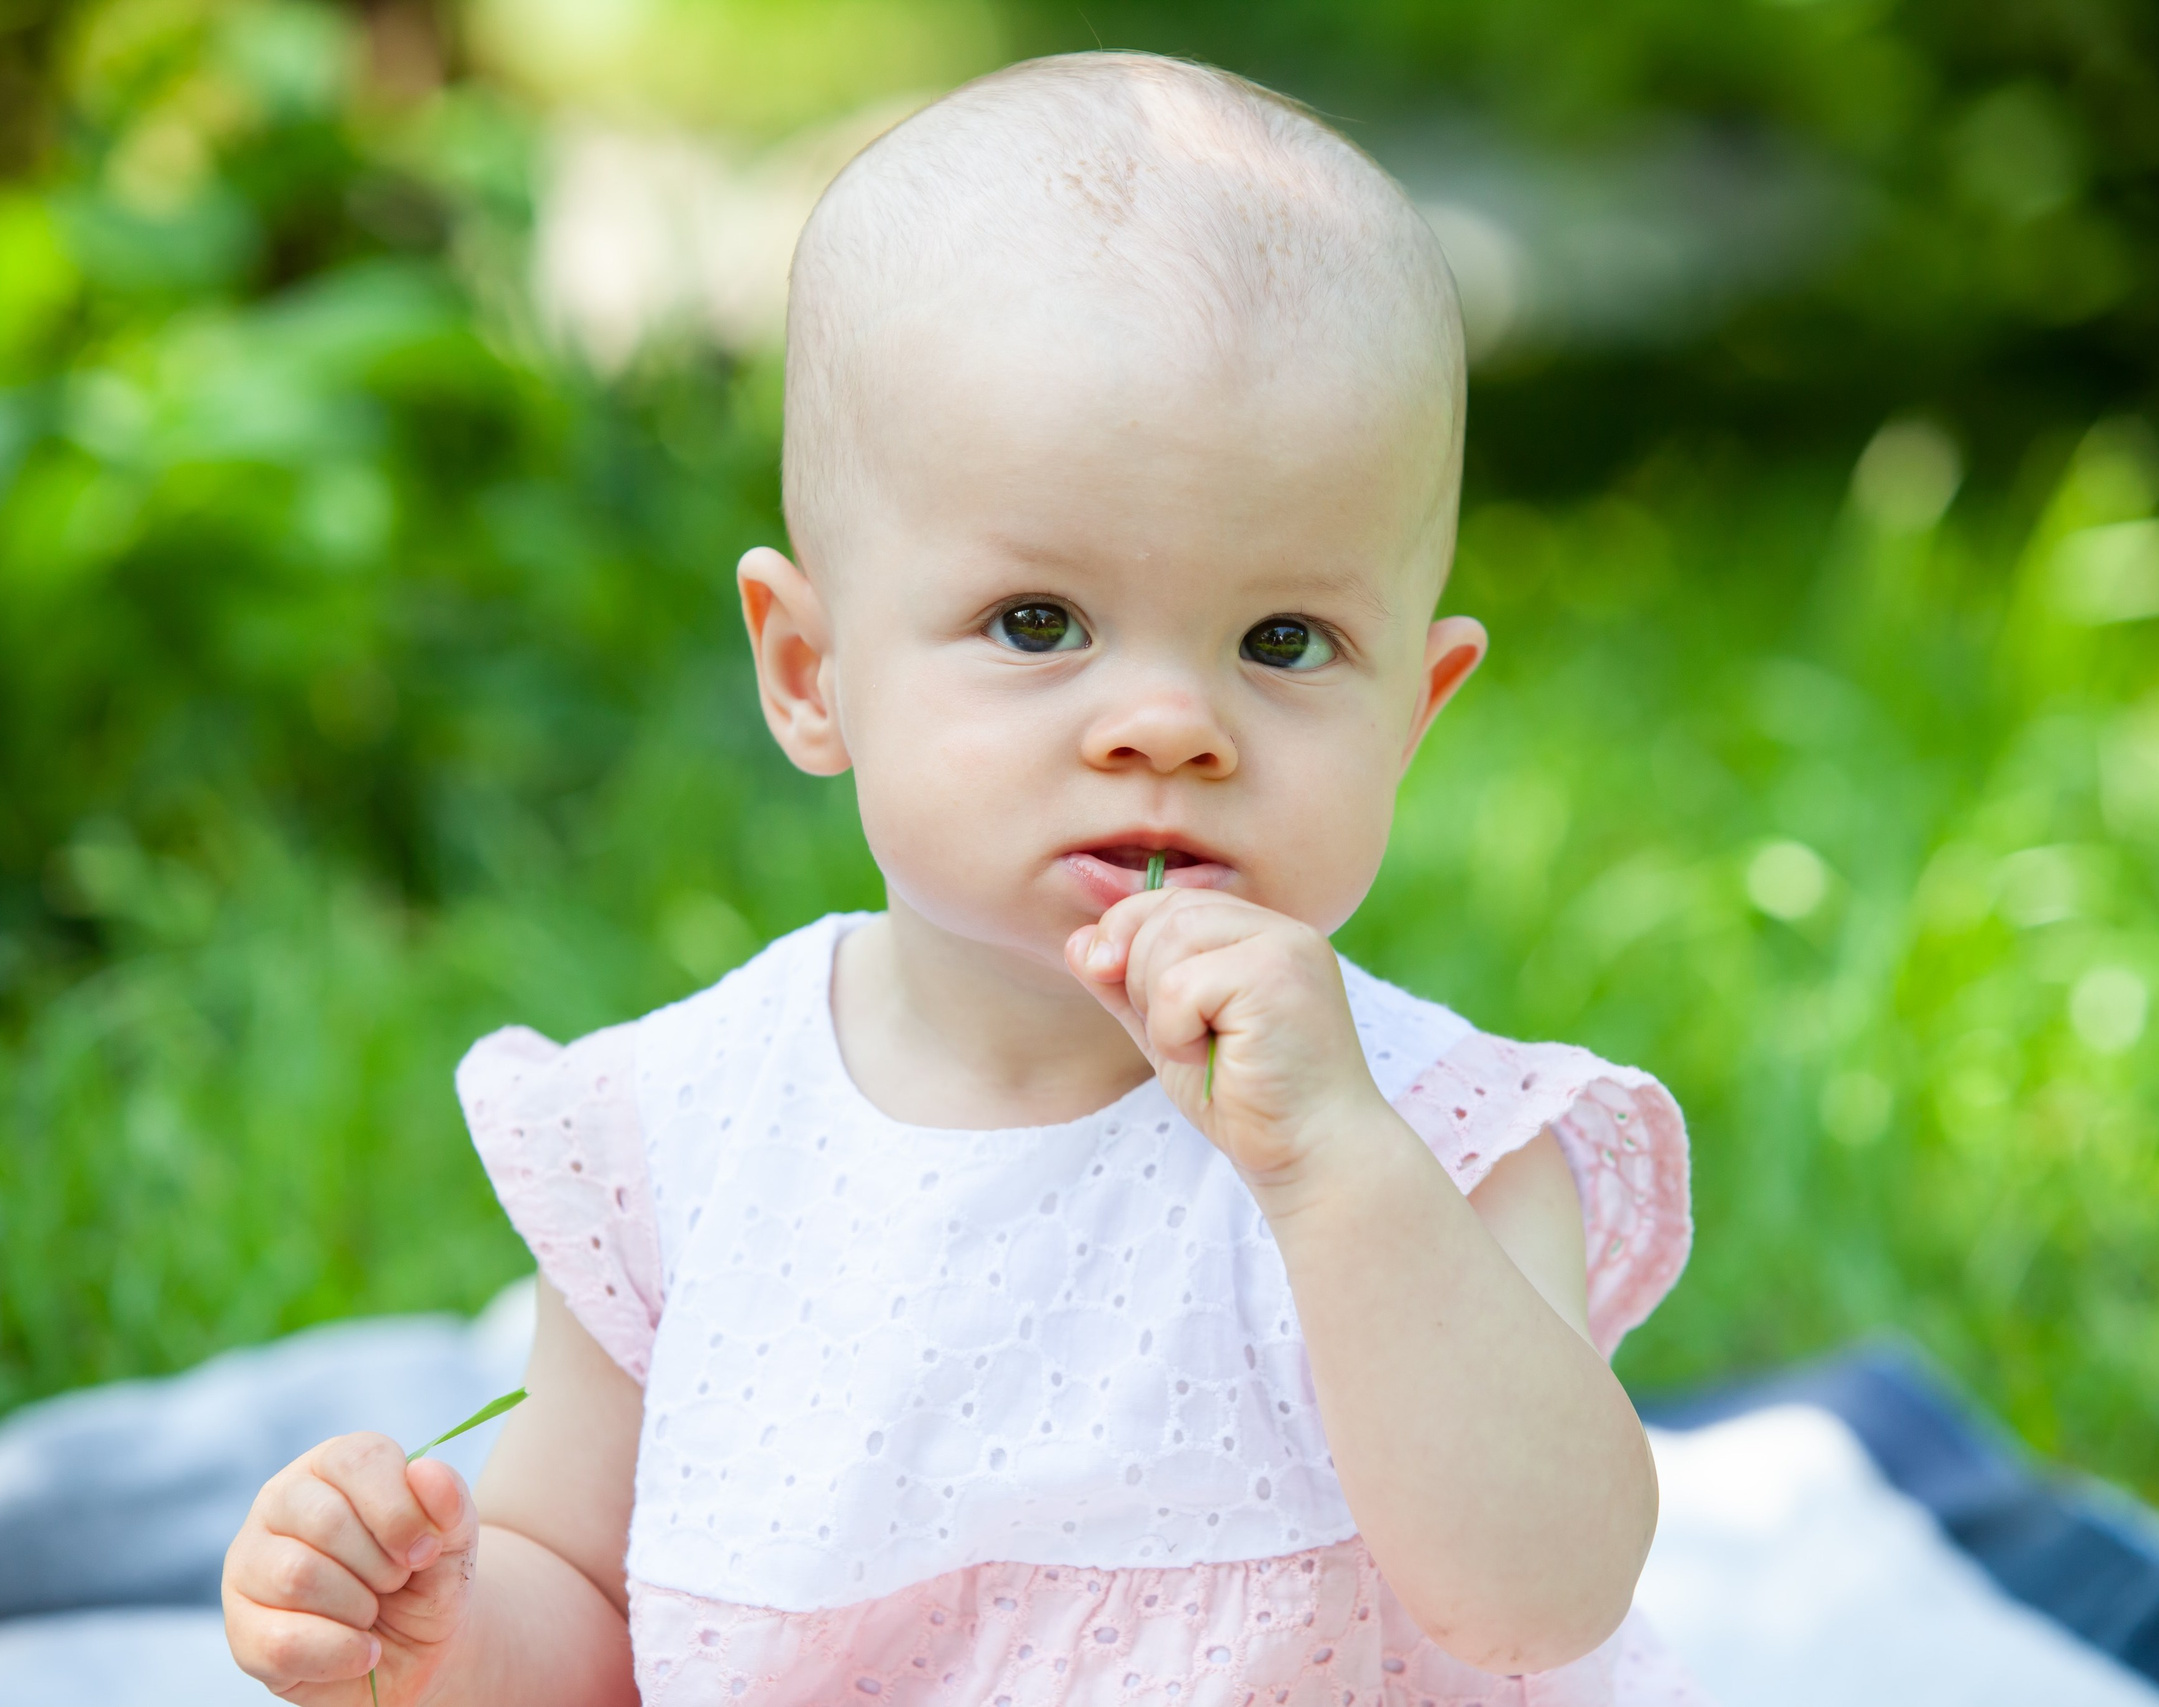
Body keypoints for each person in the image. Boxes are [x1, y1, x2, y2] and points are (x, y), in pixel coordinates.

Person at [218, 51, 1698, 1707]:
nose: (1168, 724)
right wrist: (434, 1641)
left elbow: (1545, 1600)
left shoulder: (1441, 1137)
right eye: (1038, 624)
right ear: (809, 670)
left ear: (1413, 712)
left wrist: (1339, 1173)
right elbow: (588, 1611)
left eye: (1284, 642)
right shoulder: (679, 1138)